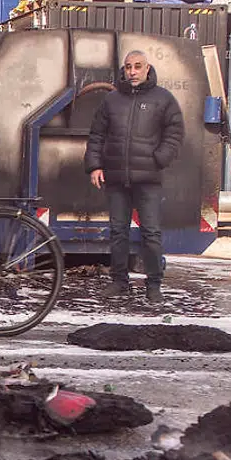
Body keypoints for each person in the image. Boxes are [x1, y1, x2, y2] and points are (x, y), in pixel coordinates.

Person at [84, 49, 185, 305]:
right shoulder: (112, 100)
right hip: (116, 177)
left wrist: (159, 159)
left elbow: (175, 132)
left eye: (138, 66)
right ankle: (119, 282)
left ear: (147, 68)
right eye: (128, 67)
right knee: (118, 232)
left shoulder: (163, 99)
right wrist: (95, 166)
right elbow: (96, 134)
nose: (132, 72)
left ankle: (154, 285)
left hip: (148, 178)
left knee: (151, 233)